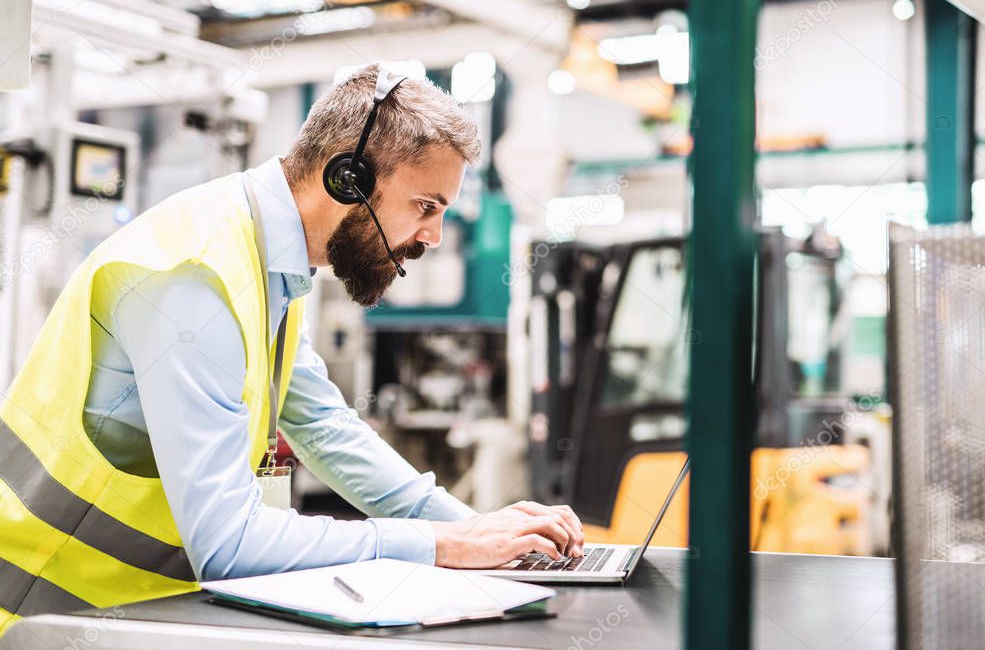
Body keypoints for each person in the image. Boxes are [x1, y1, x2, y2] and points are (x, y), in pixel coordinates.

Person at [0, 64, 583, 633]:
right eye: (425, 206)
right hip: (45, 614)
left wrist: (484, 535)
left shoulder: (270, 263)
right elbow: (228, 546)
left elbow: (326, 426)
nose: (432, 235)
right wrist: (440, 545)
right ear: (345, 179)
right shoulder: (195, 275)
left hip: (132, 612)